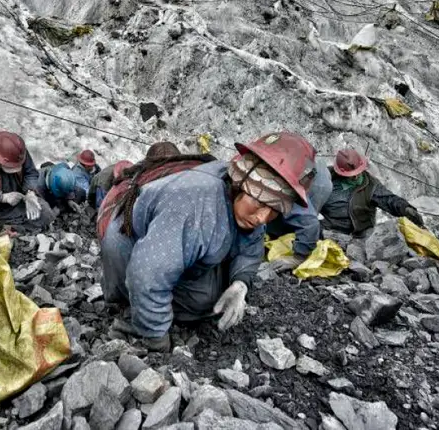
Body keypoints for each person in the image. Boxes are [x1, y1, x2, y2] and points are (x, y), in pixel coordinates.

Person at [100, 132, 317, 351]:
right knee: (186, 298)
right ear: (241, 182)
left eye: (274, 211)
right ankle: (132, 319)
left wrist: (240, 283)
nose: (262, 218)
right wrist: (155, 336)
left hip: (170, 248)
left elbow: (250, 248)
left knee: (210, 298)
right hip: (130, 253)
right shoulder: (196, 204)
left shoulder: (247, 199)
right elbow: (146, 274)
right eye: (260, 204)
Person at [320, 149, 424, 238]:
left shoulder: (371, 185)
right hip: (327, 229)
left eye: (357, 172)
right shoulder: (325, 176)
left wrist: (405, 208)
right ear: (340, 172)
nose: (356, 177)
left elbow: (389, 199)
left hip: (358, 235)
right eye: (351, 175)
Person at [266, 156, 333, 271]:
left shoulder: (284, 189)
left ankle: (303, 246)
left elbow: (310, 223)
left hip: (317, 183)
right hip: (311, 170)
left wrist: (298, 258)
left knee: (302, 219)